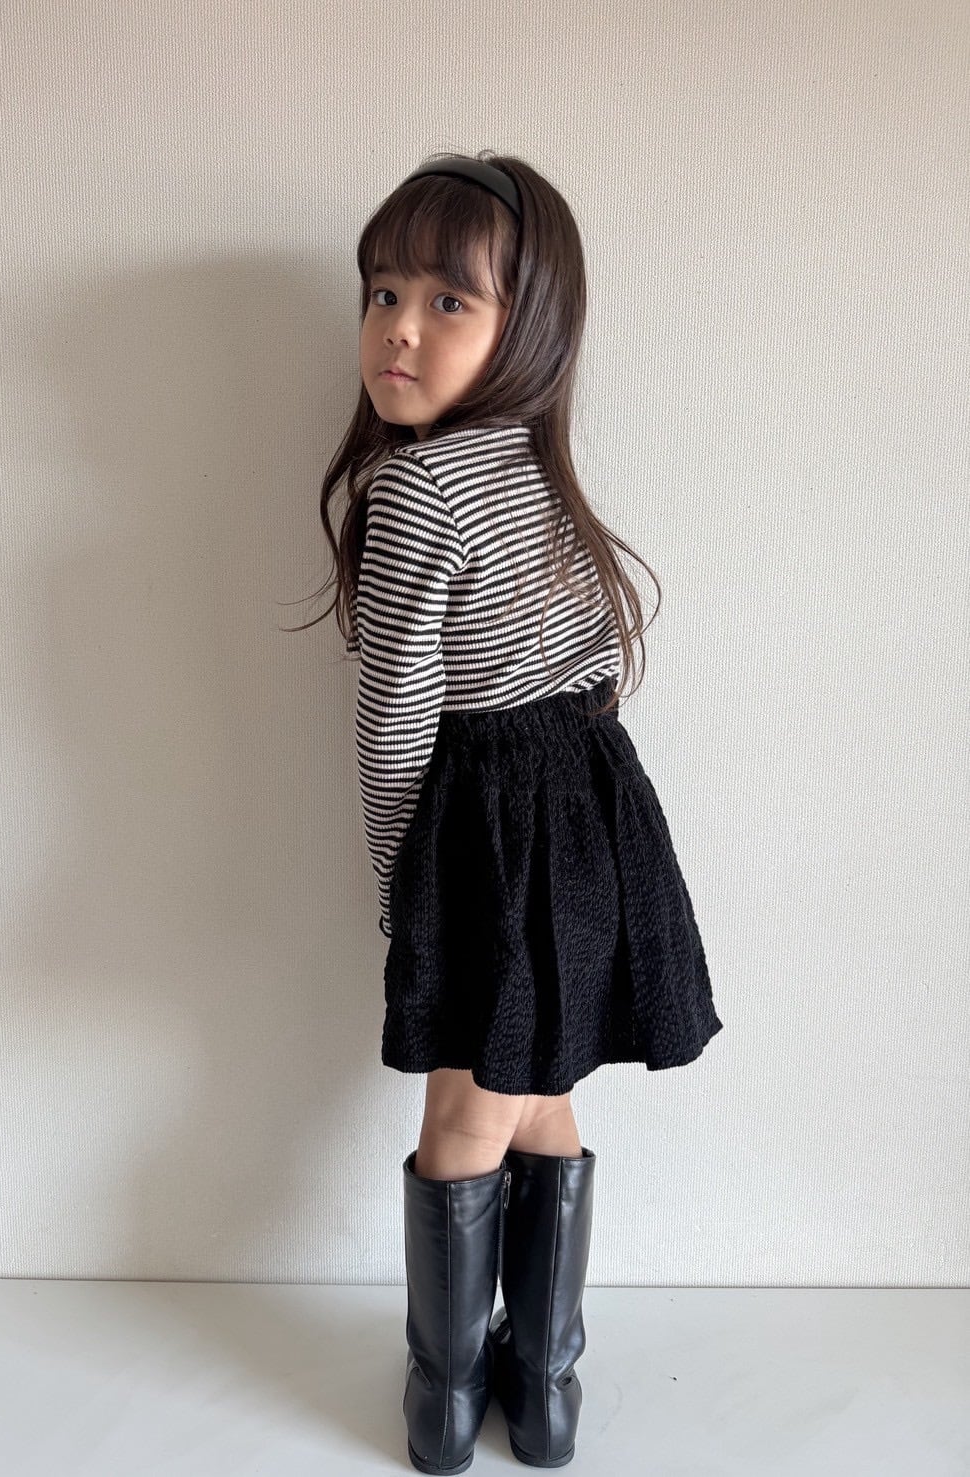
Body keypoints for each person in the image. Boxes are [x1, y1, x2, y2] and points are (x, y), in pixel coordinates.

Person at [314, 152, 724, 1474]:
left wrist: (400, 887)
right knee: (538, 1090)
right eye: (383, 293)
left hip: (498, 838)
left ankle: (449, 1403)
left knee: (466, 1114)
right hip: (593, 822)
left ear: (527, 325)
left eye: (448, 301)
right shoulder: (537, 470)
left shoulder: (418, 488)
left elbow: (395, 722)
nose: (399, 328)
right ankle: (541, 1394)